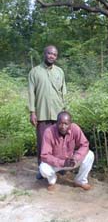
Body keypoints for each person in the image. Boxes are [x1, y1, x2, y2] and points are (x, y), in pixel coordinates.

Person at [28, 45, 66, 179]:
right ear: (44, 54)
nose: (52, 56)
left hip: (58, 113)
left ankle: (59, 166)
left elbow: (63, 92)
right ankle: (41, 169)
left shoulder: (60, 72)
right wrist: (32, 112)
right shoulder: (34, 72)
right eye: (49, 53)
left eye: (54, 54)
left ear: (56, 56)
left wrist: (64, 110)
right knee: (42, 142)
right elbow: (31, 94)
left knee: (59, 142)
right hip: (42, 114)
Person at [39, 111, 94, 191]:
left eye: (66, 124)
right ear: (56, 123)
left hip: (71, 161)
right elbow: (45, 155)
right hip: (55, 163)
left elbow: (84, 145)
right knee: (43, 168)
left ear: (70, 123)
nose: (63, 126)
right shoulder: (49, 132)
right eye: (60, 123)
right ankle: (52, 181)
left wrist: (76, 157)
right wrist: (62, 162)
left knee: (90, 155)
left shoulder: (75, 128)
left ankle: (80, 181)